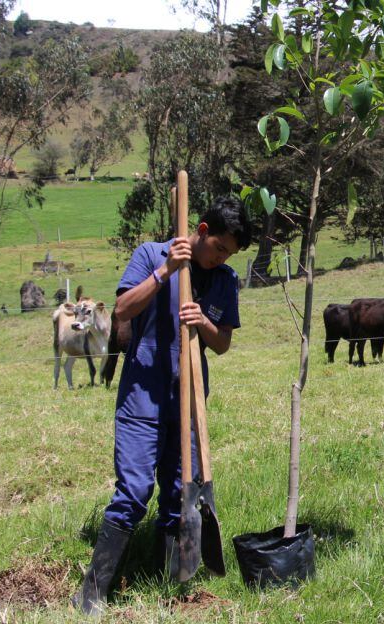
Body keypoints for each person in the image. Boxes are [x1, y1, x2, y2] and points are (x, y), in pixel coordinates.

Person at [73, 196, 251, 615]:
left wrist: (202, 321)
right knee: (134, 490)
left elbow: (222, 344)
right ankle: (93, 592)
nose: (221, 258)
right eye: (220, 248)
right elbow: (121, 310)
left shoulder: (223, 279)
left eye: (229, 254)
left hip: (188, 401)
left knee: (179, 494)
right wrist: (166, 271)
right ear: (202, 231)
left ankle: (167, 581)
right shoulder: (152, 255)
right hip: (142, 396)